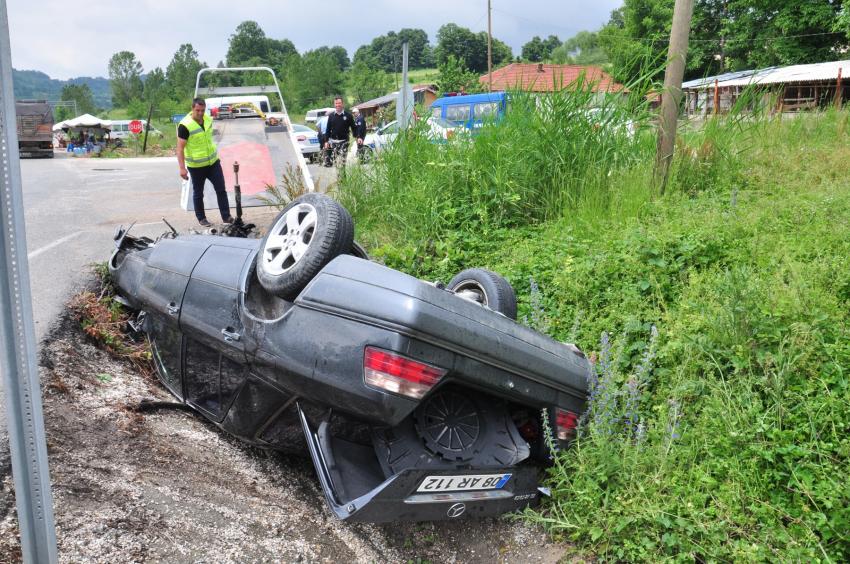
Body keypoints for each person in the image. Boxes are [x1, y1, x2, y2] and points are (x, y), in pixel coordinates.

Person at [177, 98, 233, 227]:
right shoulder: (185, 125)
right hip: (196, 166)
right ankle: (201, 218)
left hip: (213, 162)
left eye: (202, 110)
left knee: (221, 190)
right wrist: (182, 168)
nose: (200, 113)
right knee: (198, 193)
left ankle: (226, 217)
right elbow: (180, 148)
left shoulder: (208, 119)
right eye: (197, 110)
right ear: (192, 109)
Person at [323, 96, 355, 168]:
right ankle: (339, 178)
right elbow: (328, 129)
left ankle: (343, 178)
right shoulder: (331, 116)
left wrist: (359, 137)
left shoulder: (348, 116)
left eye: (339, 103)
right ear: (334, 104)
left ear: (342, 104)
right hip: (334, 143)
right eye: (336, 103)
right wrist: (326, 141)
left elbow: (354, 128)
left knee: (342, 163)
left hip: (344, 142)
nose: (338, 105)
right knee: (336, 163)